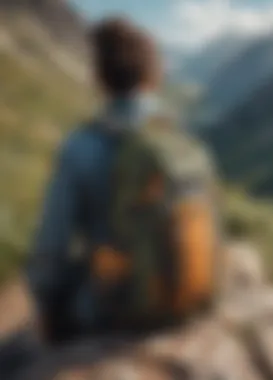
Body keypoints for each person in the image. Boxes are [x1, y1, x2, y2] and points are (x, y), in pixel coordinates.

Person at [26, 17, 166, 344]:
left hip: (110, 305)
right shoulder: (173, 135)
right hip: (180, 286)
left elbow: (52, 246)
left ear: (99, 78)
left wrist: (46, 302)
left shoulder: (81, 146)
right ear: (151, 77)